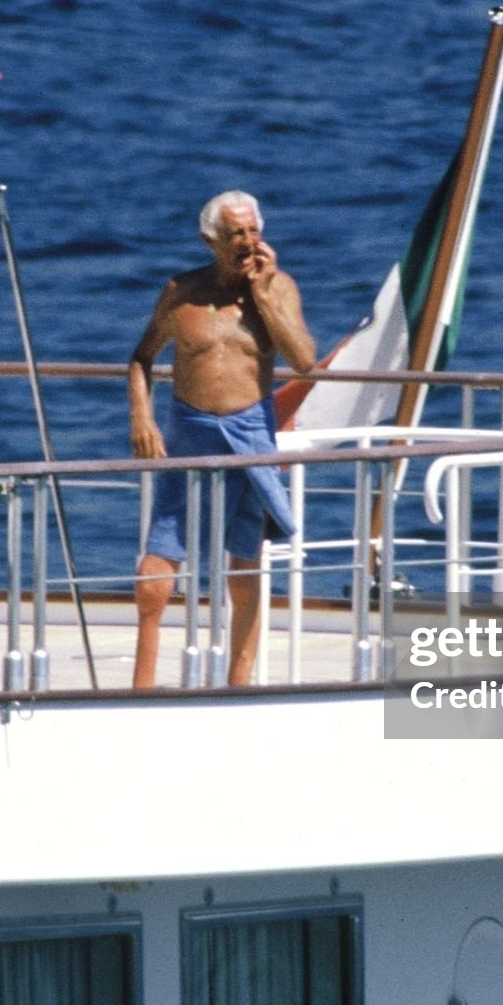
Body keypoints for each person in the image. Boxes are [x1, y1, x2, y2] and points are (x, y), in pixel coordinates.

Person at [129, 190, 315, 688]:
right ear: (210, 239)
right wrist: (141, 418)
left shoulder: (279, 290)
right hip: (188, 432)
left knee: (245, 560)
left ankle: (239, 679)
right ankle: (142, 682)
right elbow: (141, 357)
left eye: (253, 231)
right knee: (159, 558)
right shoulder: (181, 292)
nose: (248, 242)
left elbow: (303, 362)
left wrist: (263, 295)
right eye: (236, 234)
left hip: (250, 432)